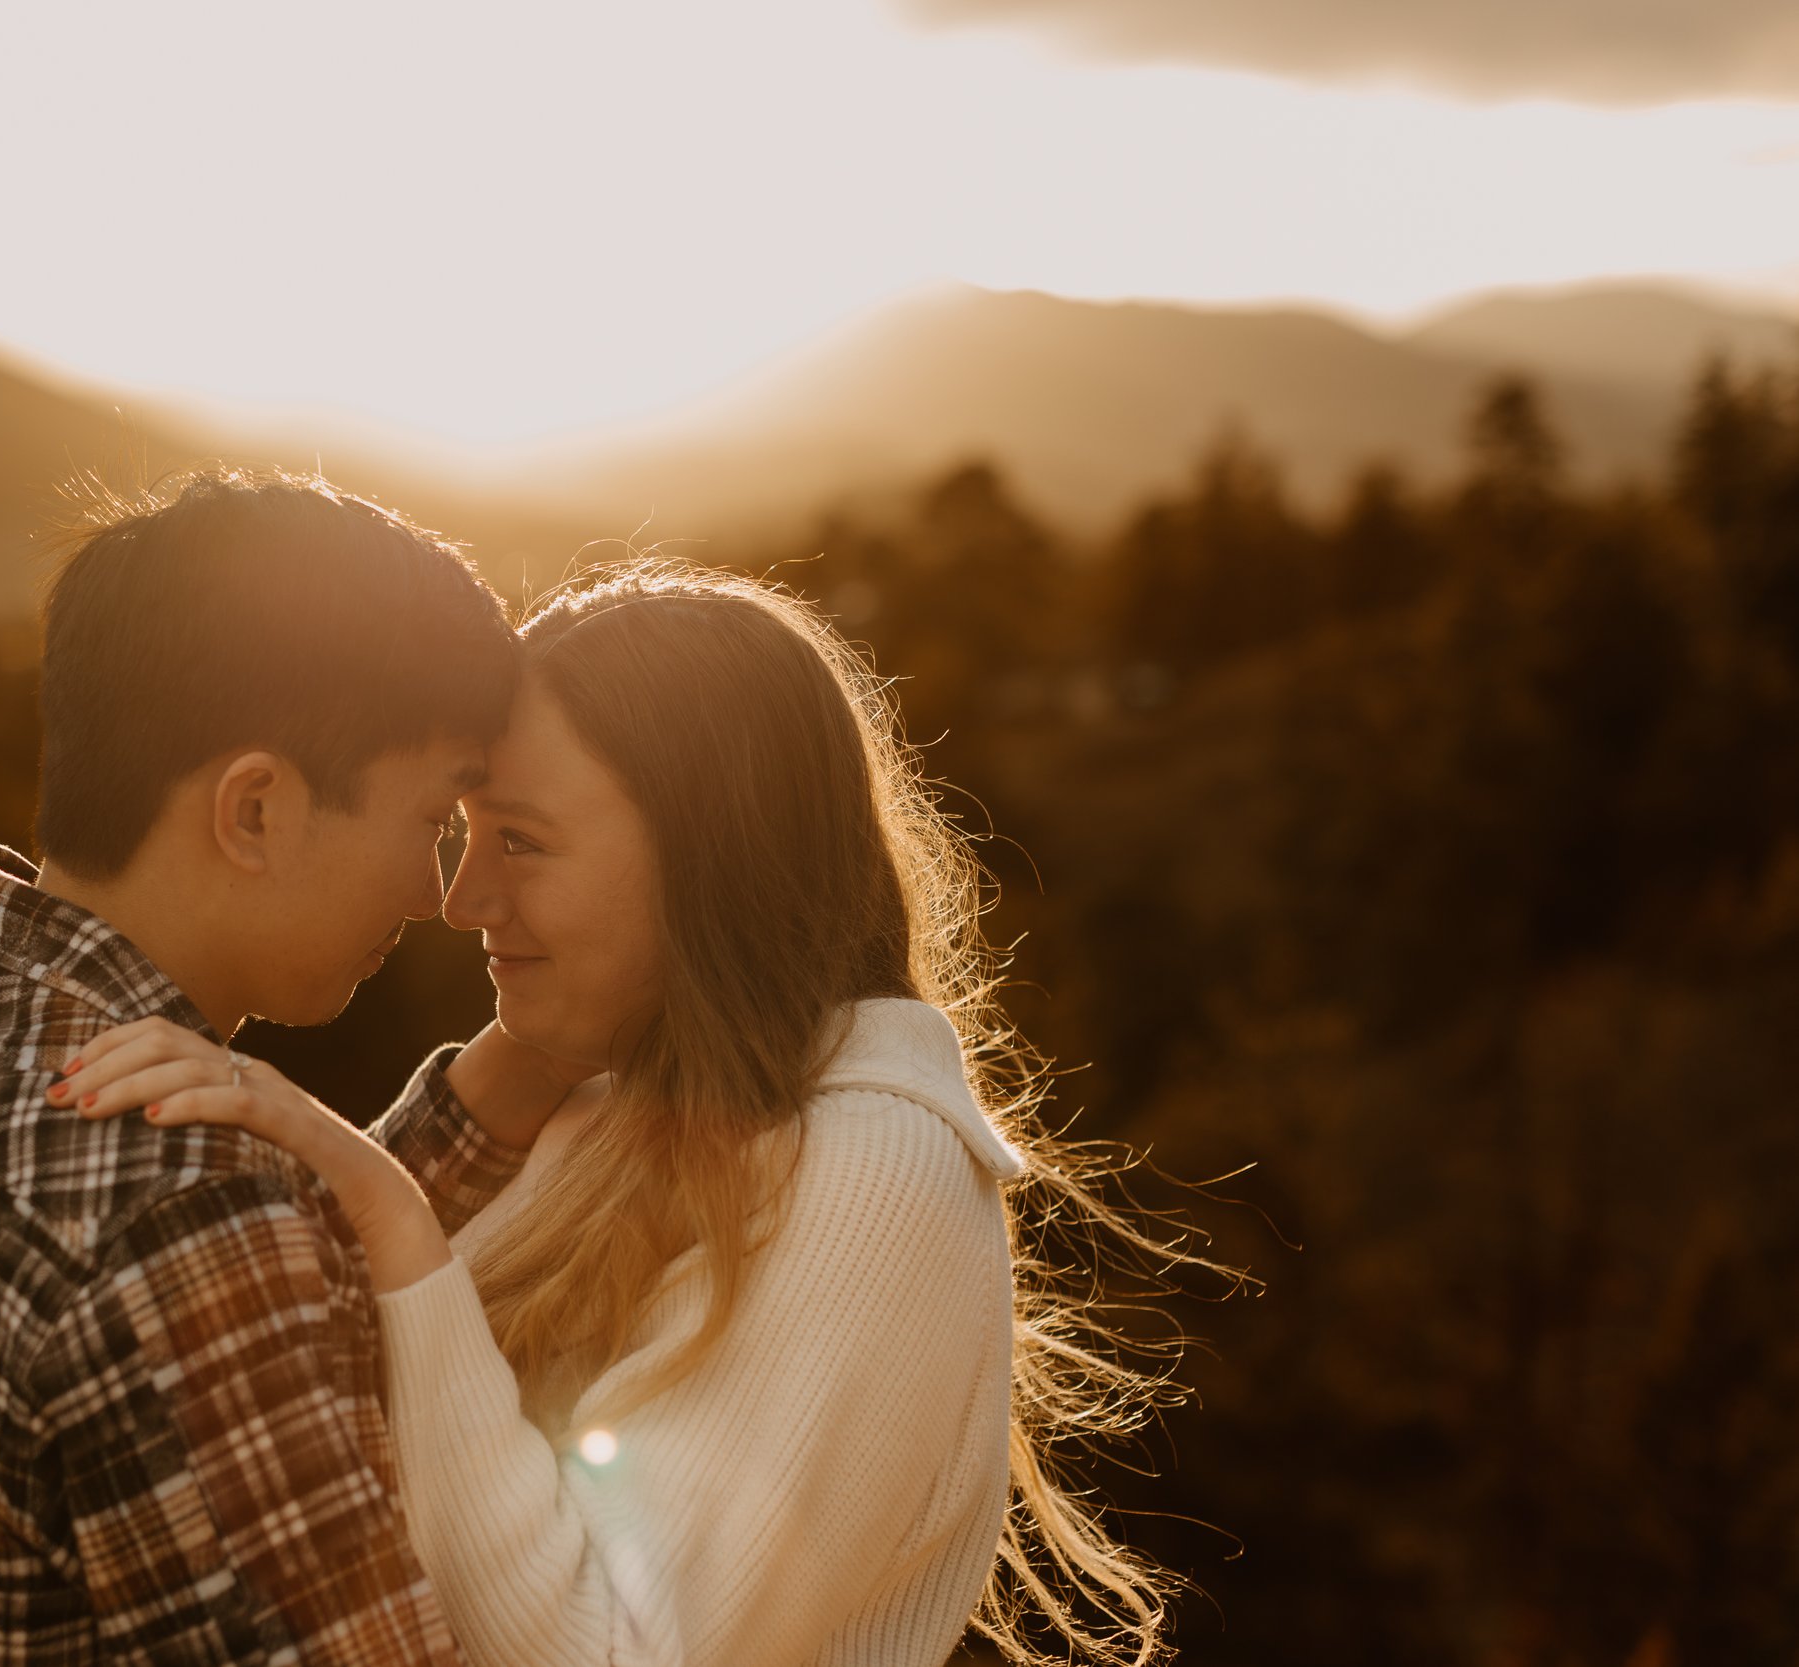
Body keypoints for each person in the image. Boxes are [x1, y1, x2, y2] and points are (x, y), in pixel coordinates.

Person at [63, 560, 1209, 1667]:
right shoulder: (610, 1099)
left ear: (711, 860)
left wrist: (388, 1212)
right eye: (461, 832)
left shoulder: (876, 1178)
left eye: (520, 839)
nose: (460, 900)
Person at [0, 467, 570, 1667]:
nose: (438, 890)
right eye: (432, 819)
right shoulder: (184, 1219)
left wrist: (537, 1052)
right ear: (253, 809)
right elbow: (192, 1271)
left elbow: (236, 1296)